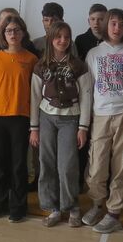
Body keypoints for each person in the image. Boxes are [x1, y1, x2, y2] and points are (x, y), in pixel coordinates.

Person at [83, 8, 123, 234]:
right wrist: (85, 121)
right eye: (113, 23)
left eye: (121, 24)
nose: (117, 28)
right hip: (100, 115)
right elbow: (88, 89)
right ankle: (97, 204)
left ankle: (114, 212)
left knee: (122, 164)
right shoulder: (94, 53)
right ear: (106, 26)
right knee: (97, 164)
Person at [31, 21, 91, 227]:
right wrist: (34, 128)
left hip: (70, 119)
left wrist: (83, 127)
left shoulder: (78, 66)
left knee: (67, 166)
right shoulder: (41, 66)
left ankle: (71, 206)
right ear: (51, 39)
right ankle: (53, 208)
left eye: (66, 37)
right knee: (46, 162)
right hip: (46, 117)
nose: (63, 40)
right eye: (58, 37)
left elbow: (86, 97)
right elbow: (34, 97)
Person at [0, 14, 38, 222]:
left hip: (20, 116)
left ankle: (18, 206)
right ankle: (0, 203)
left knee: (18, 164)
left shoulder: (31, 59)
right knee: (0, 163)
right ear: (3, 34)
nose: (13, 34)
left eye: (17, 30)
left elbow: (36, 92)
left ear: (23, 33)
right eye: (9, 31)